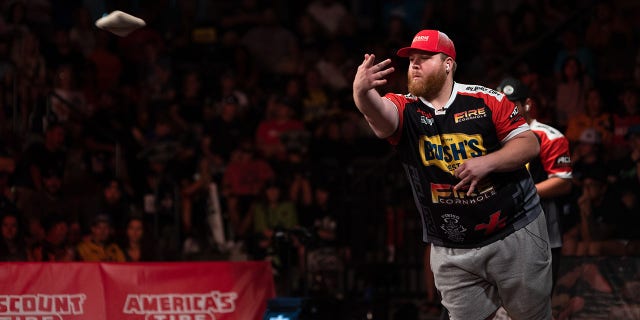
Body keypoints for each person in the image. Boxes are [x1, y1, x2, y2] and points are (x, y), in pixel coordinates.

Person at [352, 29, 551, 319]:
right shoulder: (404, 108)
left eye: (425, 58)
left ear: (448, 64)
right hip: (451, 247)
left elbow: (529, 144)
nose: (415, 64)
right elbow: (378, 115)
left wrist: (488, 162)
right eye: (412, 60)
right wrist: (361, 93)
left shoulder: (486, 100)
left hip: (514, 230)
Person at [497, 77, 573, 290]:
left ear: (527, 104)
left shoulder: (549, 137)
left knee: (538, 301)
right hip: (503, 236)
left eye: (512, 104)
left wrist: (518, 194)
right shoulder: (492, 139)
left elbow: (563, 183)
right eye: (501, 104)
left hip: (543, 234)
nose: (506, 109)